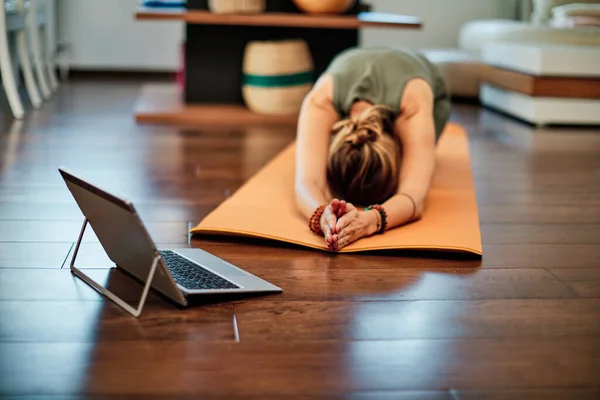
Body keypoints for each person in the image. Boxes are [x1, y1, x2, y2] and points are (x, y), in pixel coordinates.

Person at [294, 46, 451, 252]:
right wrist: (323, 215)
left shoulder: (412, 106)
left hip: (420, 75)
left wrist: (369, 221)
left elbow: (415, 196)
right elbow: (307, 182)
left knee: (421, 158)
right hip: (352, 57)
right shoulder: (320, 100)